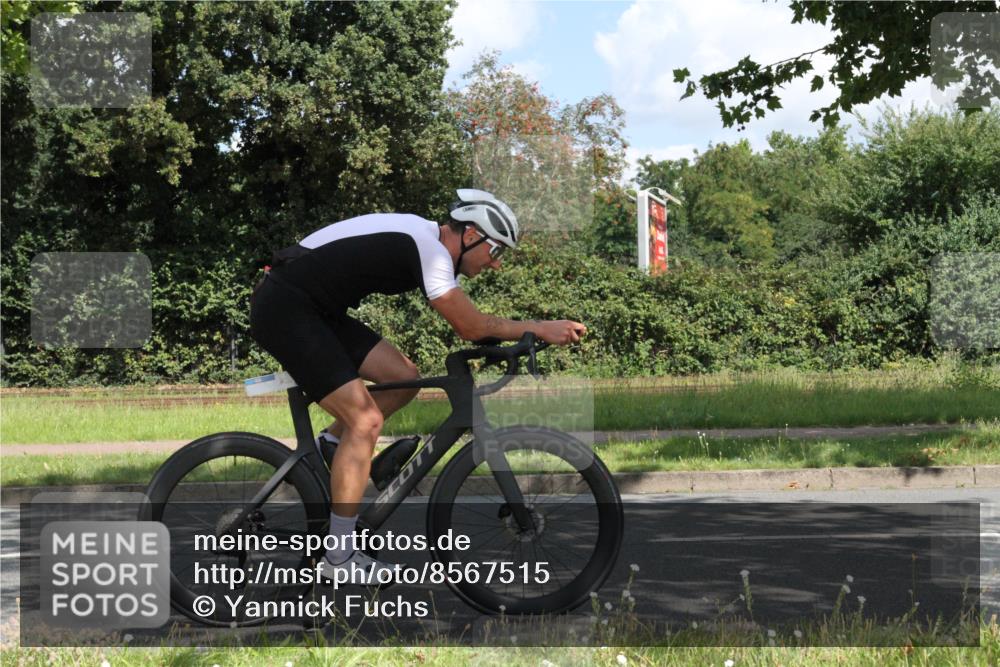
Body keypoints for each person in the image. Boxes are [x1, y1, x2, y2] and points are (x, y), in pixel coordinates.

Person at [249, 189, 586, 584]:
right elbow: (472, 327)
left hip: (315, 310)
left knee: (403, 378)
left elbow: (474, 328)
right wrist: (540, 328)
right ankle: (338, 557)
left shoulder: (424, 240)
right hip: (287, 308)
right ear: (472, 234)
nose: (495, 265)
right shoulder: (430, 248)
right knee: (366, 421)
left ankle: (330, 448)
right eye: (496, 252)